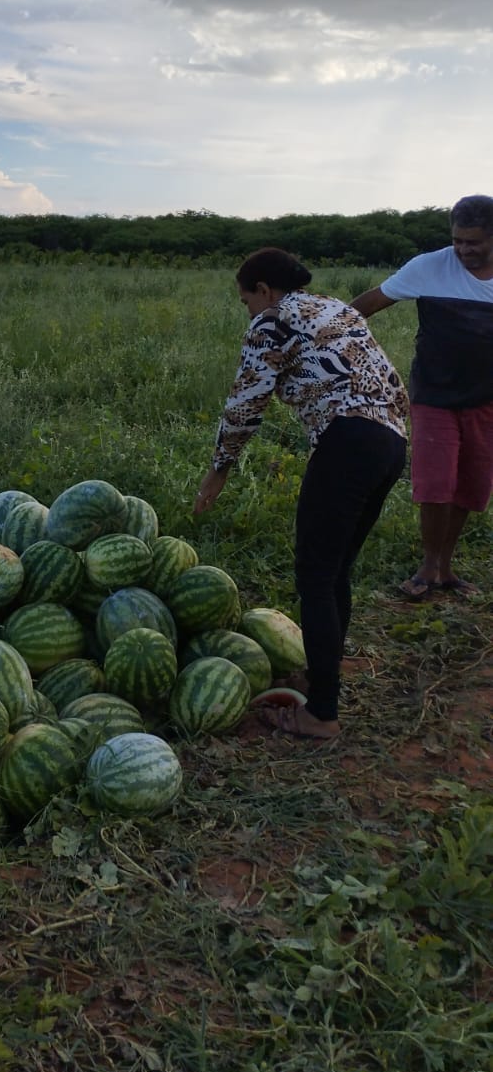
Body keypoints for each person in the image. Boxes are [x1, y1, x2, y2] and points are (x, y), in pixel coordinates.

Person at [194, 248, 408, 740]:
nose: (247, 309)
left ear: (265, 291)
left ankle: (321, 715)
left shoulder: (271, 322)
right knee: (335, 571)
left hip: (349, 441)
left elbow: (246, 402)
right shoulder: (337, 307)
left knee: (314, 575)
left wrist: (219, 470)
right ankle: (320, 679)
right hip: (391, 440)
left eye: (246, 299)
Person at [352, 195, 493, 599]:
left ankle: (446, 567)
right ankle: (428, 567)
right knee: (436, 482)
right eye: (457, 241)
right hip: (434, 393)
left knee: (470, 483)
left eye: (474, 242)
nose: (463, 250)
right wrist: (326, 334)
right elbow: (370, 303)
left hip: (486, 398)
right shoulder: (429, 266)